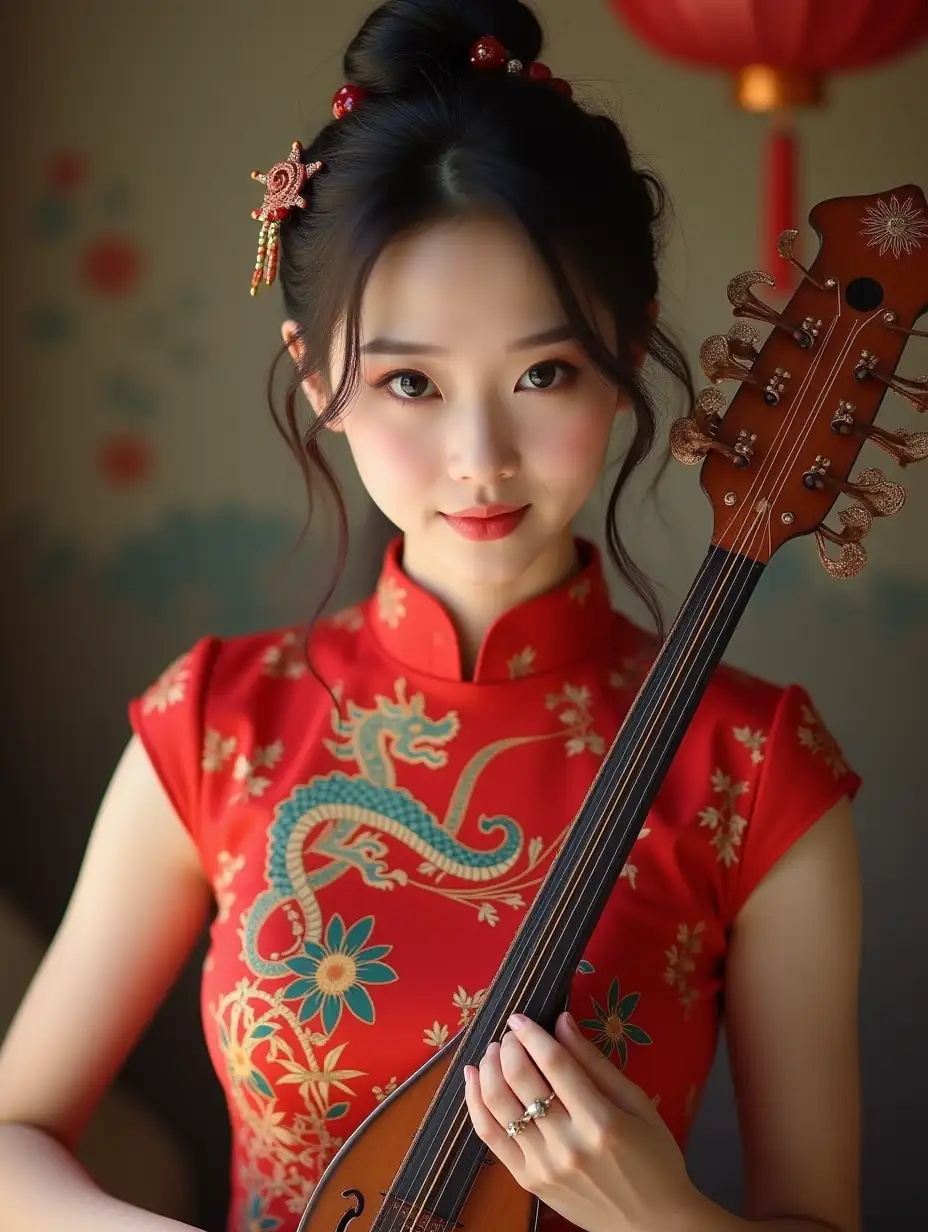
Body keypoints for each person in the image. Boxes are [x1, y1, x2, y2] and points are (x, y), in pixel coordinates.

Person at [0, 2, 863, 1230]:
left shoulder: (756, 769)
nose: (480, 457)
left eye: (543, 373)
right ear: (320, 381)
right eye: (410, 380)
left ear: (624, 363)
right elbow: (10, 1138)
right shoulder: (214, 724)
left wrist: (657, 1210)